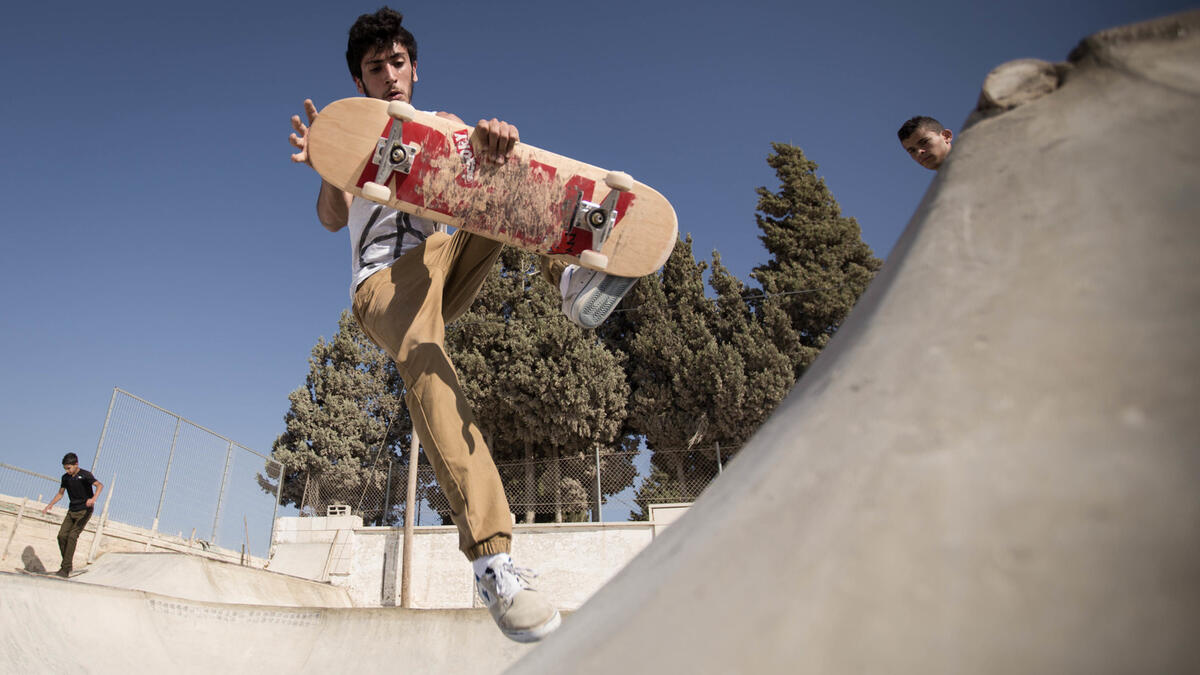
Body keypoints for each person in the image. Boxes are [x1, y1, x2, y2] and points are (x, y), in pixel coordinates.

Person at [288, 7, 634, 642]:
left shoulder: (444, 125)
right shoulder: (353, 133)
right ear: (360, 82)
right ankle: (492, 560)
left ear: (414, 69)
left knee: (496, 174)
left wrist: (496, 142)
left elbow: (482, 168)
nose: (389, 76)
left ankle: (572, 267)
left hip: (444, 266)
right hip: (386, 286)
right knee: (426, 356)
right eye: (374, 68)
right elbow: (332, 219)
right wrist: (326, 163)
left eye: (397, 63)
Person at [41, 452, 103, 577]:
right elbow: (60, 493)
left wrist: (93, 499)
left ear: (76, 464)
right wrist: (50, 504)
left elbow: (99, 485)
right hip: (72, 510)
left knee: (72, 536)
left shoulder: (85, 475)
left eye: (69, 468)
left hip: (85, 510)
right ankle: (67, 565)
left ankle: (65, 569)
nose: (67, 471)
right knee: (61, 536)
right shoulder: (65, 478)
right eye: (65, 469)